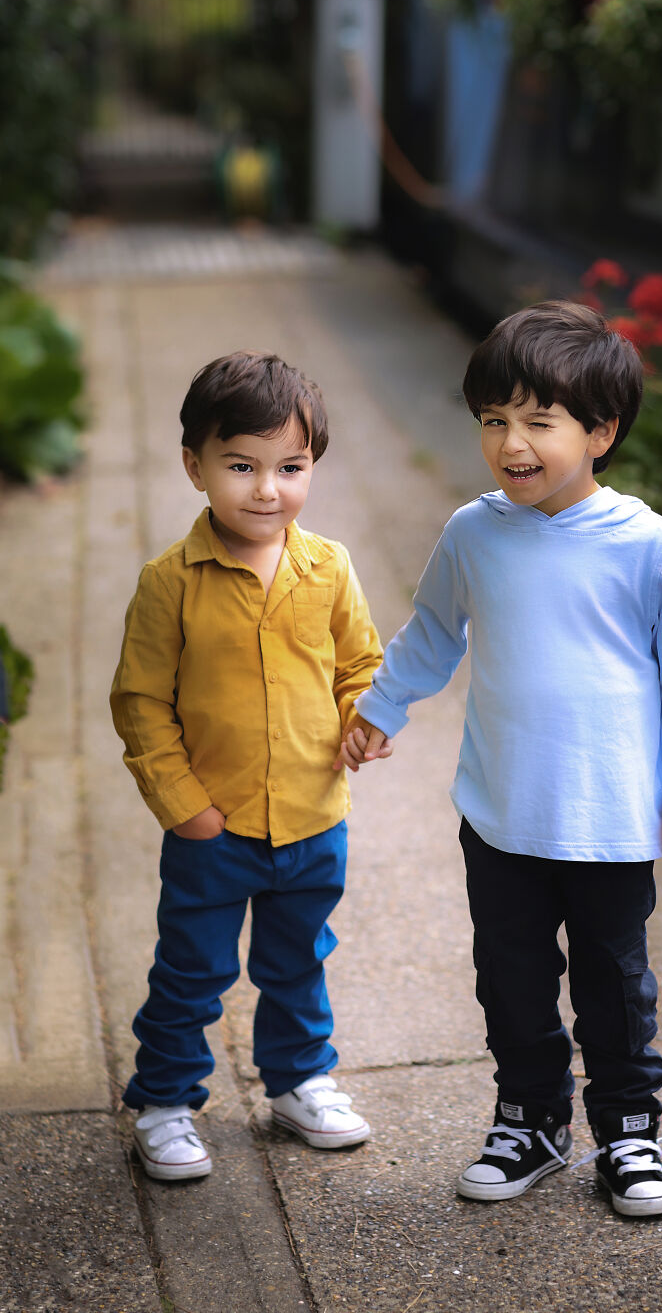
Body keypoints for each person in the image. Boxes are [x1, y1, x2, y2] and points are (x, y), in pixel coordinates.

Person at [336, 302, 662, 1218]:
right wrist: (380, 707)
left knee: (615, 986)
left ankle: (628, 1131)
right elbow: (432, 632)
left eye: (537, 422)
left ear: (600, 432)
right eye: (492, 420)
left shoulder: (648, 547)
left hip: (611, 819)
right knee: (509, 978)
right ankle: (530, 1120)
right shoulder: (474, 533)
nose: (511, 442)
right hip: (502, 812)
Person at [110, 350, 388, 1181]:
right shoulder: (170, 583)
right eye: (242, 466)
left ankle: (298, 1081)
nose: (267, 489)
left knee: (297, 960)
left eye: (290, 467)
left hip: (312, 817)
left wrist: (363, 720)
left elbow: (359, 666)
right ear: (195, 466)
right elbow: (139, 701)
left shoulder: (328, 567)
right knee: (192, 968)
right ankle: (163, 1099)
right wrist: (181, 803)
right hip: (213, 826)